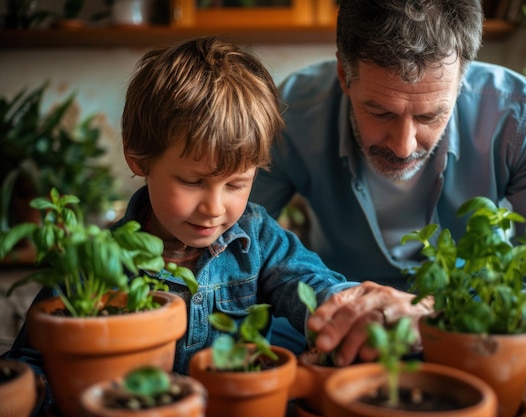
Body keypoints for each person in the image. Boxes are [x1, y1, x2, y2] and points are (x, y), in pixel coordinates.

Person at [2, 36, 431, 415]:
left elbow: (311, 284)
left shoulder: (258, 239)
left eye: (236, 184)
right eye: (193, 181)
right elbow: (34, 363)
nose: (214, 207)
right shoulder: (97, 263)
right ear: (139, 159)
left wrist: (347, 307)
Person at [249, 0, 526, 377]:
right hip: (339, 320)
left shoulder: (520, 116)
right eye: (380, 112)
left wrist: (442, 317)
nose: (404, 146)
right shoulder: (291, 112)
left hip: (468, 329)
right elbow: (235, 231)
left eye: (429, 115)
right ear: (343, 75)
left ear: (461, 82)